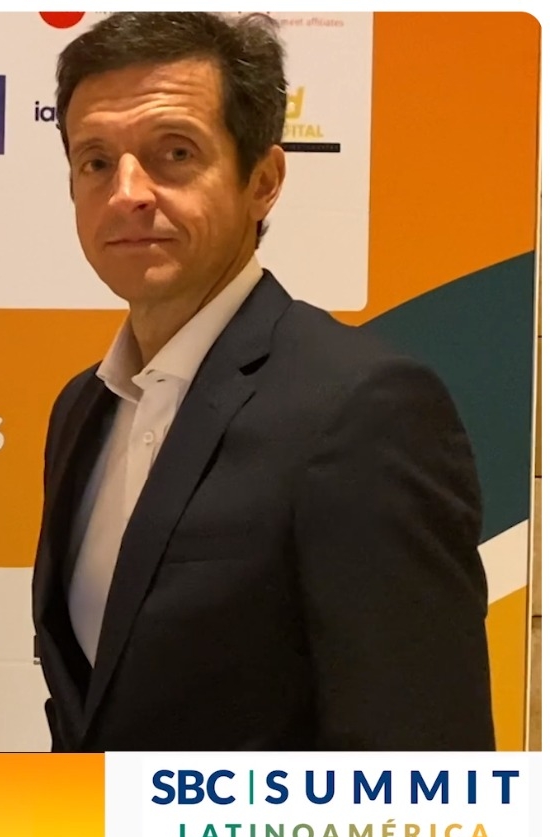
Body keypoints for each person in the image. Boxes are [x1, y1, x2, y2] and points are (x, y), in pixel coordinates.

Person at [31, 12, 494, 751]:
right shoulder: (82, 408)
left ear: (264, 181)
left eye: (174, 153)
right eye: (96, 162)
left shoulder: (362, 409)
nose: (127, 192)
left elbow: (423, 756)